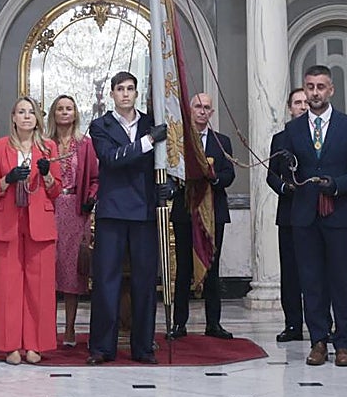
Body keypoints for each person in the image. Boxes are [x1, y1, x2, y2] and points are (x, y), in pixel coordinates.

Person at [271, 65, 347, 367]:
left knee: (340, 280)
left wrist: (337, 185)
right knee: (311, 281)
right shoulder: (292, 130)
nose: (315, 92)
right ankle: (318, 341)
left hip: (339, 215)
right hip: (303, 217)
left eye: (321, 87)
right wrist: (289, 184)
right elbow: (279, 173)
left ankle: (343, 343)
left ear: (331, 90)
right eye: (310, 87)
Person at [86, 71, 169, 365]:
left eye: (130, 89)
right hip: (112, 210)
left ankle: (144, 347)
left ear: (136, 93)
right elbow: (111, 159)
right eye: (120, 89)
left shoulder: (151, 123)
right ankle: (102, 347)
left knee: (145, 282)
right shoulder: (100, 125)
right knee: (106, 281)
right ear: (112, 94)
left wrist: (167, 183)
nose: (125, 94)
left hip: (145, 210)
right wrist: (147, 143)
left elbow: (167, 159)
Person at [0, 96, 62, 364]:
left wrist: (47, 174)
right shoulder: (0, 148)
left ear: (38, 119)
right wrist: (7, 180)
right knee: (8, 285)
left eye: (31, 112)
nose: (26, 116)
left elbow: (56, 191)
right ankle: (9, 346)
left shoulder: (48, 147)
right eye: (21, 112)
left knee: (38, 286)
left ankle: (35, 344)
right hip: (9, 222)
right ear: (13, 118)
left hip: (39, 222)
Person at [169, 93, 235, 340]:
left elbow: (229, 174)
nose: (202, 111)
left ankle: (213, 324)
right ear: (190, 109)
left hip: (214, 212)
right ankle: (179, 324)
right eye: (198, 106)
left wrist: (214, 177)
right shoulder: (179, 141)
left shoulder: (222, 142)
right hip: (186, 211)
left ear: (212, 113)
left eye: (207, 108)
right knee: (184, 269)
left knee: (212, 268)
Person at [45, 94, 99, 348]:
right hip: (48, 209)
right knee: (48, 269)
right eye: (60, 109)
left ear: (76, 114)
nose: (65, 112)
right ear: (53, 114)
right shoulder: (44, 144)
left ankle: (69, 328)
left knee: (72, 271)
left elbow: (96, 178)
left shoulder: (85, 144)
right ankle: (46, 327)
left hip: (76, 211)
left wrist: (91, 197)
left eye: (69, 108)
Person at [266, 87, 309, 342]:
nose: (302, 106)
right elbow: (271, 173)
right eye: (297, 102)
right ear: (290, 108)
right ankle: (293, 325)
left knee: (316, 271)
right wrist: (284, 187)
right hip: (289, 213)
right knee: (290, 273)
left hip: (316, 212)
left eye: (305, 102)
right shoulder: (280, 139)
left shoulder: (319, 136)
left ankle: (321, 324)